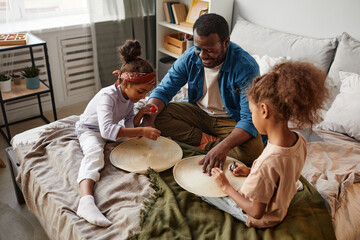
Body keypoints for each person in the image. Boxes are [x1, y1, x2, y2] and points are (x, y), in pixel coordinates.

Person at [203, 61, 329, 228]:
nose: (251, 117)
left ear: (264, 110)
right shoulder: (299, 140)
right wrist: (250, 172)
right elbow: (280, 173)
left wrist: (225, 186)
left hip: (263, 219)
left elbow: (256, 211)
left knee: (205, 193)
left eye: (251, 111)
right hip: (280, 207)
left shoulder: (268, 162)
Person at [142, 13, 264, 175]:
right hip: (197, 112)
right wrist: (149, 121)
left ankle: (209, 144)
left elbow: (248, 119)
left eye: (210, 50)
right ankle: (207, 141)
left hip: (230, 120)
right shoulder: (190, 57)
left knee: (253, 151)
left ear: (226, 42)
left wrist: (224, 146)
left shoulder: (246, 67)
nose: (203, 56)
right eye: (198, 48)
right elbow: (164, 90)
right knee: (157, 116)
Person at [75, 40, 161, 227]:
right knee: (94, 154)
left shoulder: (130, 99)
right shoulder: (108, 96)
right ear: (125, 82)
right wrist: (141, 130)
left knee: (138, 146)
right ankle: (85, 201)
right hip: (90, 130)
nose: (144, 96)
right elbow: (106, 130)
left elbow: (129, 125)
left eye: (147, 92)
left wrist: (141, 114)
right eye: (141, 91)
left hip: (110, 131)